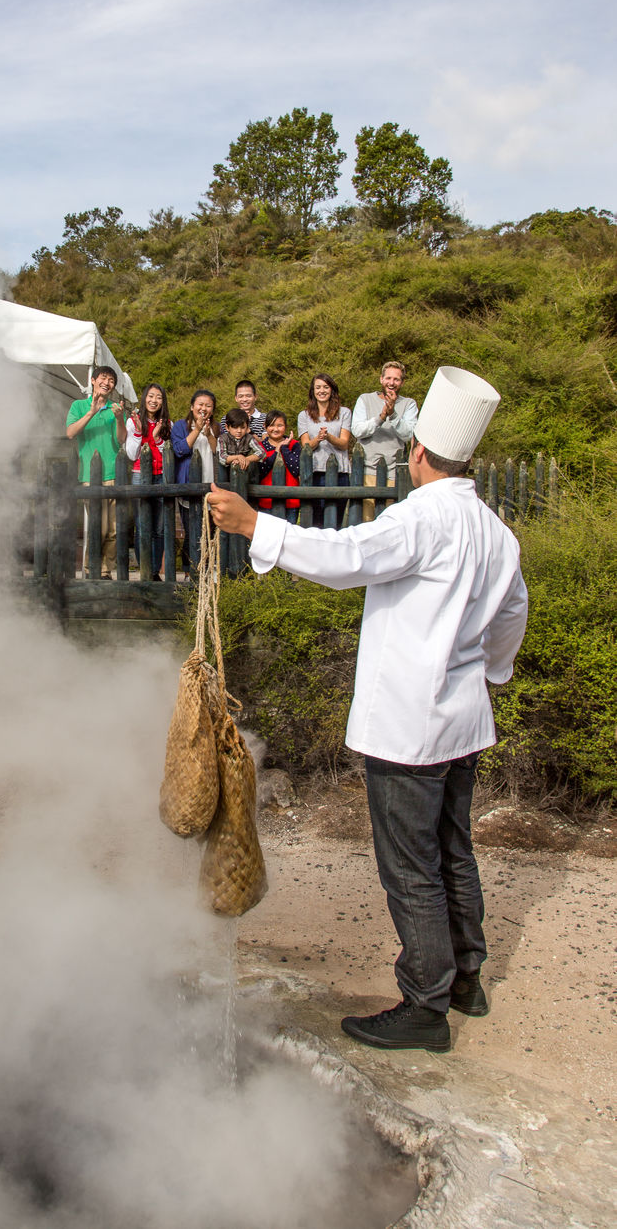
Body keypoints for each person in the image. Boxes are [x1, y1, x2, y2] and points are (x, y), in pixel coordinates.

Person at [207, 366, 528, 1053]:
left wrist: (255, 526)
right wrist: (491, 673)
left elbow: (347, 554)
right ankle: (466, 977)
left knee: (410, 865)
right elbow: (514, 612)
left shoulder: (421, 517)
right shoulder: (496, 531)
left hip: (409, 726)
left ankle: (425, 1004)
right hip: (462, 720)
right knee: (452, 851)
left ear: (417, 453)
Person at [65, 365, 126, 579]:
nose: (107, 382)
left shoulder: (115, 408)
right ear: (93, 380)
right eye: (103, 378)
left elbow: (121, 440)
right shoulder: (79, 405)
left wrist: (119, 418)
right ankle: (91, 568)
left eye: (111, 380)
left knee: (113, 530)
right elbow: (71, 433)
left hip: (113, 474)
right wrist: (91, 411)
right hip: (90, 476)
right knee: (98, 527)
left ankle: (105, 571)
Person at [352, 362, 417, 519]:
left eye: (396, 379)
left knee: (390, 520)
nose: (392, 383)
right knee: (367, 520)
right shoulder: (365, 399)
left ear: (402, 382)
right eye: (388, 378)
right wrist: (381, 418)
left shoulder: (409, 404)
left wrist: (393, 415)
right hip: (367, 470)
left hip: (395, 472)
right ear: (381, 379)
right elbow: (357, 430)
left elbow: (409, 434)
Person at [126, 382, 171, 580]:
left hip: (161, 475)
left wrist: (155, 437)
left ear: (163, 402)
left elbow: (168, 454)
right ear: (144, 398)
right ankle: (144, 568)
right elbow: (131, 454)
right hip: (139, 475)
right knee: (142, 524)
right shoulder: (133, 420)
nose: (154, 401)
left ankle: (154, 571)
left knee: (159, 528)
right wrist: (138, 432)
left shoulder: (167, 423)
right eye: (151, 396)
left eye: (158, 397)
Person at [171, 389, 219, 577]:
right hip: (189, 487)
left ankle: (208, 568)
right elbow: (180, 450)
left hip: (211, 486)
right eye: (200, 404)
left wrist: (208, 434)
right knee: (191, 530)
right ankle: (189, 570)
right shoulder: (180, 426)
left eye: (208, 405)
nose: (203, 408)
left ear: (212, 409)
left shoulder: (216, 427)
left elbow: (217, 452)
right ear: (192, 407)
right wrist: (197, 429)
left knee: (211, 529)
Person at [297, 373, 352, 528]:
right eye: (318, 387)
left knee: (336, 520)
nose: (322, 391)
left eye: (325, 387)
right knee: (317, 521)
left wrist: (329, 437)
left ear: (331, 390)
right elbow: (306, 446)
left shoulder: (344, 412)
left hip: (340, 472)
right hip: (315, 472)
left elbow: (344, 443)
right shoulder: (304, 416)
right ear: (313, 391)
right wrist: (319, 438)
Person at [257, 410, 301, 524]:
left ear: (285, 427)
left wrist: (284, 448)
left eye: (280, 425)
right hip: (266, 499)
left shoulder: (294, 445)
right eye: (271, 425)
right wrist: (276, 451)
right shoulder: (260, 447)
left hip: (291, 499)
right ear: (265, 427)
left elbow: (296, 469)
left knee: (289, 536)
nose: (275, 429)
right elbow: (261, 471)